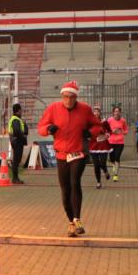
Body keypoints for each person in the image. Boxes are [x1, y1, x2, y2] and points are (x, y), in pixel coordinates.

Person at [38, 81, 104, 237]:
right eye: (65, 97)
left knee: (75, 182)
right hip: (61, 154)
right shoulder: (53, 108)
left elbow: (98, 126)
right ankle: (71, 222)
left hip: (78, 153)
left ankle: (77, 219)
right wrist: (48, 129)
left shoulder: (85, 109)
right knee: (65, 189)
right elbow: (41, 127)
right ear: (62, 96)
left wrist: (90, 133)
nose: (68, 100)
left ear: (76, 97)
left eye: (71, 97)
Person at [88, 106, 112, 188]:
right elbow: (86, 132)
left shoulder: (104, 122)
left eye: (97, 111)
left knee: (102, 163)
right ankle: (98, 182)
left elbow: (109, 131)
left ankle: (105, 171)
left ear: (100, 113)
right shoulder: (90, 123)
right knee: (96, 165)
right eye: (94, 112)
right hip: (93, 145)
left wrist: (107, 134)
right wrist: (88, 136)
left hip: (103, 145)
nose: (96, 113)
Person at [7, 103, 28, 184]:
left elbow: (23, 131)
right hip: (17, 141)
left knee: (17, 160)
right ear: (19, 110)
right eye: (21, 110)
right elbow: (17, 131)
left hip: (17, 141)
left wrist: (24, 128)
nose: (21, 111)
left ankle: (15, 178)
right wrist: (23, 136)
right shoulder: (15, 120)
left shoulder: (17, 119)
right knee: (16, 160)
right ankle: (15, 178)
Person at [105, 106, 128, 182]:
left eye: (118, 111)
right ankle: (114, 165)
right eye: (115, 111)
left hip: (120, 142)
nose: (117, 113)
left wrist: (121, 131)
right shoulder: (110, 120)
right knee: (112, 159)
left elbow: (126, 131)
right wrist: (112, 131)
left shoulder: (123, 121)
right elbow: (106, 130)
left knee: (117, 157)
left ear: (120, 112)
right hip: (111, 142)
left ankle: (115, 175)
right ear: (113, 112)